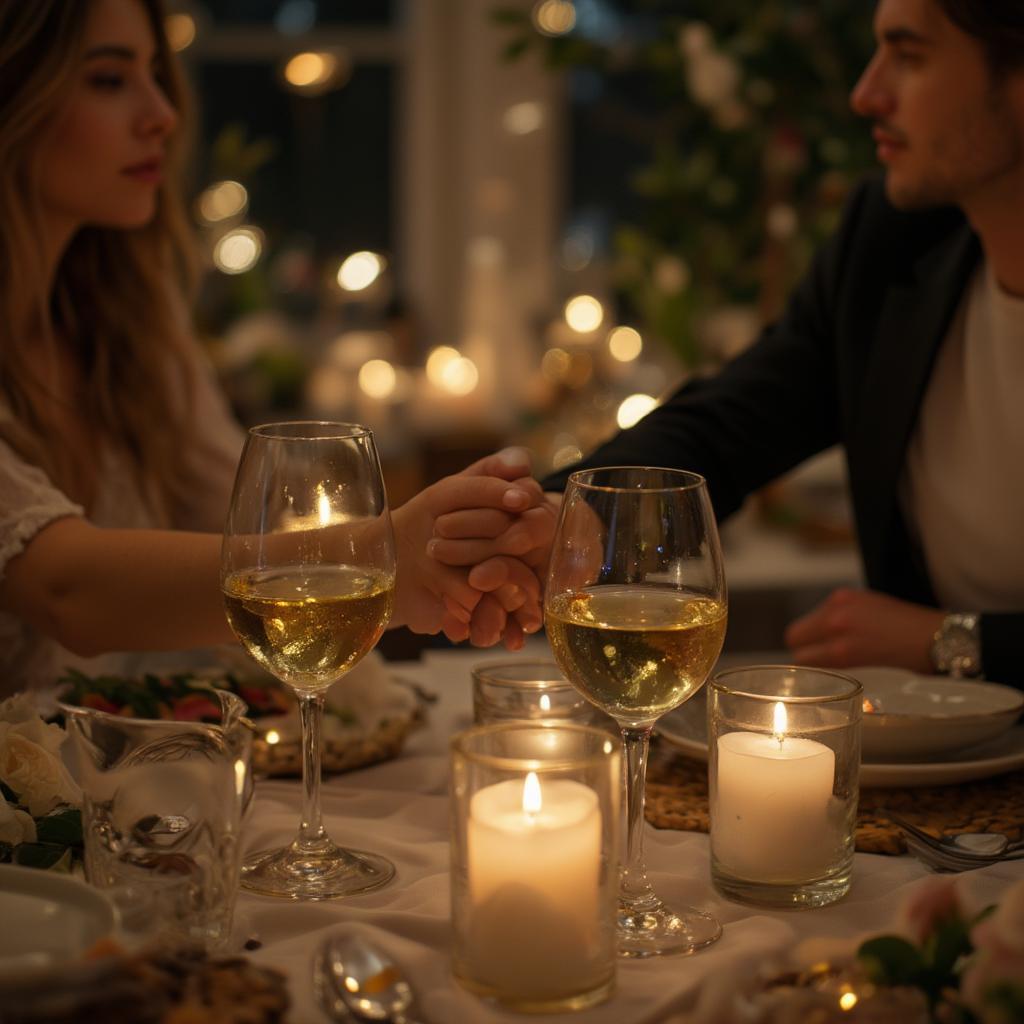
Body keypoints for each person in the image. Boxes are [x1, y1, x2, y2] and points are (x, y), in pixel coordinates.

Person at [432, 0, 1024, 688]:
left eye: (911, 56)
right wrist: (571, 517)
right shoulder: (895, 242)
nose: (867, 94)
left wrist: (955, 642)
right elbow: (732, 421)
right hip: (945, 767)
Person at [0, 0, 541, 698]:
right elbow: (68, 591)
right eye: (108, 80)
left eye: (155, 75)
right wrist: (382, 556)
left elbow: (239, 505)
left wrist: (458, 546)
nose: (161, 113)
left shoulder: (124, 320)